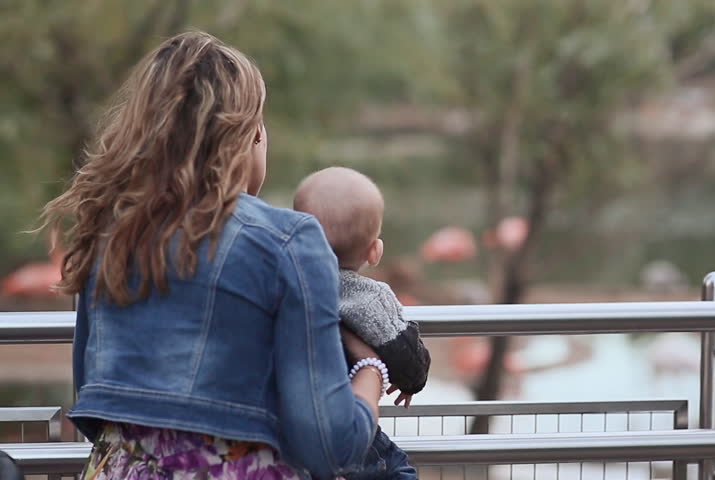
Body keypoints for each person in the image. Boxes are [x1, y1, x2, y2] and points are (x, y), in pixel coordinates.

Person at [38, 32, 383, 480]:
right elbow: (326, 442)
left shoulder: (110, 231)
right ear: (248, 135)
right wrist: (372, 367)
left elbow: (96, 398)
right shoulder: (289, 241)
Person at [294, 167, 431, 480]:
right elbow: (406, 353)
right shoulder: (372, 298)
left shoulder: (289, 286)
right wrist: (411, 381)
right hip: (353, 426)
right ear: (374, 251)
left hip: (298, 428)